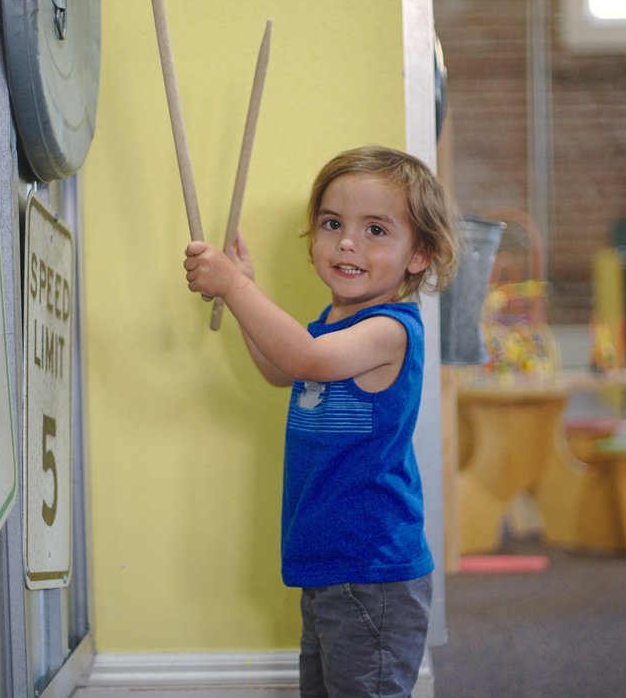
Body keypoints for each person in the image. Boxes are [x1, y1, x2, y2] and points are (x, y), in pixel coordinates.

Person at [183, 145, 460, 697]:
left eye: (376, 229)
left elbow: (305, 360)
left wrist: (236, 288)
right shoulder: (332, 324)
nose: (348, 242)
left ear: (419, 254)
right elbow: (281, 368)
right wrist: (244, 294)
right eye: (332, 223)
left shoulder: (390, 329)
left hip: (372, 569)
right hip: (331, 563)